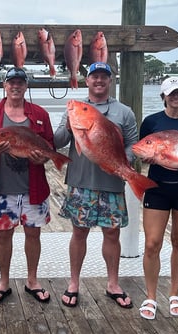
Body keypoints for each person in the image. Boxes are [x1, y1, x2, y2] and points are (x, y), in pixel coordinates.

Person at [53, 62, 136, 309]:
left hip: (112, 182)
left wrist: (121, 163)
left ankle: (113, 284)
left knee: (112, 233)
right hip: (80, 182)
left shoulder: (124, 112)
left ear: (110, 81)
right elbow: (56, 141)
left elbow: (132, 144)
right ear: (86, 80)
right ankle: (74, 283)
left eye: (104, 77)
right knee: (79, 232)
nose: (99, 80)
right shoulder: (75, 109)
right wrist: (68, 127)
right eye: (94, 76)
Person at [0, 67, 53, 305]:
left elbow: (48, 145)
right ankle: (3, 281)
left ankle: (32, 280)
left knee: (33, 234)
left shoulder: (39, 114)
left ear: (25, 86)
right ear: (4, 86)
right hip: (1, 188)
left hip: (34, 187)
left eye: (20, 82)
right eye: (11, 82)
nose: (16, 86)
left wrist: (45, 157)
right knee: (3, 236)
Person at [137, 77, 178, 319]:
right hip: (157, 187)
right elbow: (143, 147)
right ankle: (151, 296)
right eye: (170, 93)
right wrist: (146, 157)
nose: (175, 97)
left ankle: (175, 293)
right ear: (163, 96)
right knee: (152, 243)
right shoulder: (151, 122)